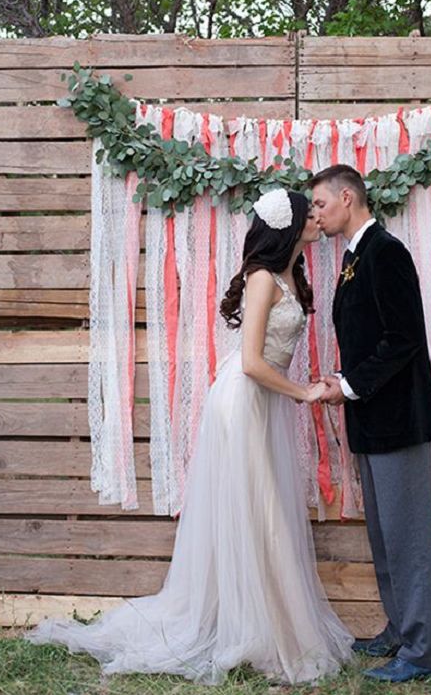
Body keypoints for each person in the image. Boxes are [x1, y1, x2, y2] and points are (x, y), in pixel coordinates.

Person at [25, 187, 354, 686]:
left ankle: (268, 627)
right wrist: (303, 393)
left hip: (263, 403)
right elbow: (250, 363)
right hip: (243, 402)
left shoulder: (291, 273)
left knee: (266, 514)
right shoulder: (263, 278)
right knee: (261, 514)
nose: (316, 219)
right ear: (286, 227)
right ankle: (277, 639)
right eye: (306, 213)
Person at [310, 164, 431, 684]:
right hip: (372, 417)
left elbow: (404, 338)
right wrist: (343, 379)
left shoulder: (386, 253)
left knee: (408, 538)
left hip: (398, 420)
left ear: (348, 197)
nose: (316, 215)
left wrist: (346, 386)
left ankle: (423, 650)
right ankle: (400, 629)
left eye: (320, 204)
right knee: (386, 535)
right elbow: (370, 341)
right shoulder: (355, 256)